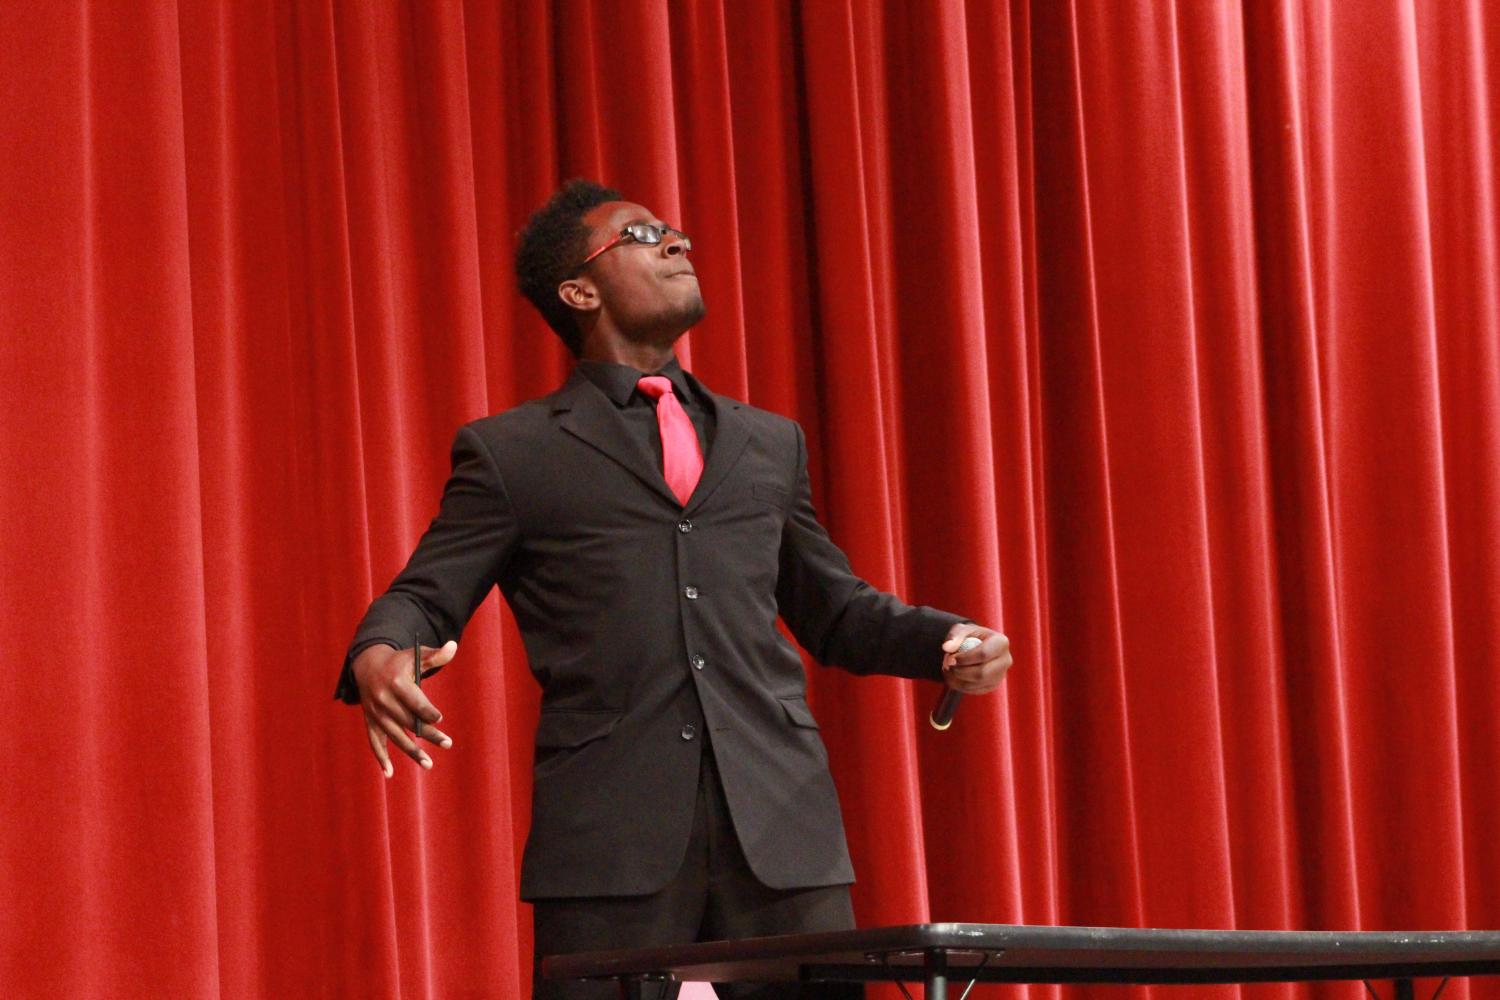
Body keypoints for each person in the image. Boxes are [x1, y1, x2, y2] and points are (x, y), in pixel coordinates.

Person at [335, 180, 1013, 999]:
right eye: (642, 235)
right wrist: (381, 653)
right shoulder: (513, 454)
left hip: (782, 830)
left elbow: (834, 609)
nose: (676, 243)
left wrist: (947, 641)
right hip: (611, 846)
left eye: (676, 232)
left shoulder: (768, 443)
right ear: (580, 290)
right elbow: (424, 595)